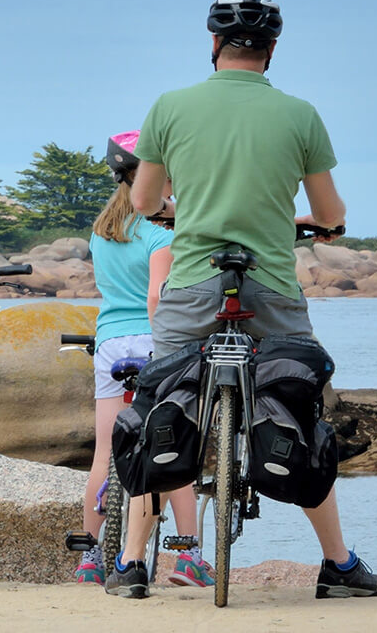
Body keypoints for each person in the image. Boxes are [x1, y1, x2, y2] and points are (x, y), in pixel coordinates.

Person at [121, 0, 377, 600]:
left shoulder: (169, 106)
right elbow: (326, 209)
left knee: (163, 403)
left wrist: (175, 211)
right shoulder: (299, 114)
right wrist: (327, 225)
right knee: (300, 404)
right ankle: (339, 565)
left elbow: (141, 201)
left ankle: (134, 562)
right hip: (269, 280)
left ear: (214, 45)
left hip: (191, 280)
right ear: (271, 51)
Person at [76, 130, 215, 590]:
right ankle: (189, 554)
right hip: (151, 340)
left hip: (110, 343)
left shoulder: (101, 231)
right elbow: (156, 295)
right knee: (172, 449)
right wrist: (168, 347)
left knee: (103, 453)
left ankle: (91, 556)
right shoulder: (160, 233)